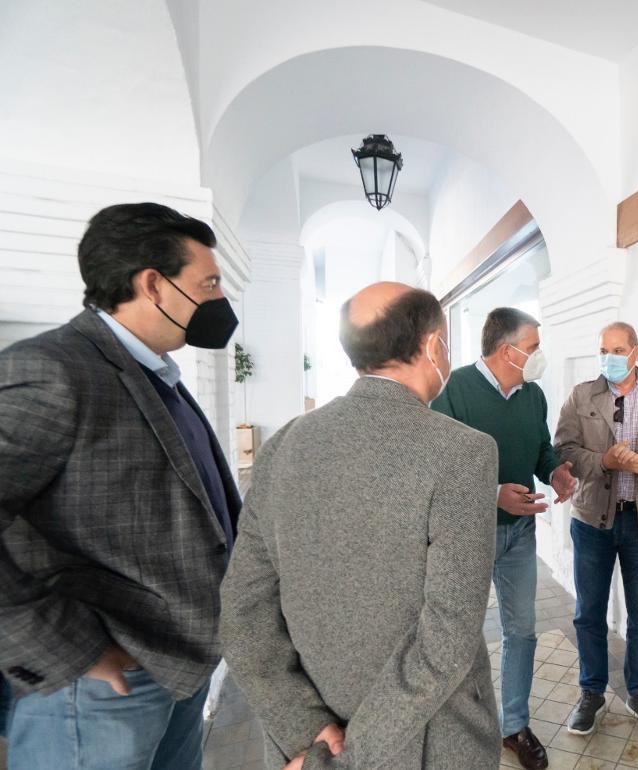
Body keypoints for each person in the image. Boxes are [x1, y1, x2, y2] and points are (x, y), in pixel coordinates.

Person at [0, 202, 242, 769]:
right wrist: (72, 650)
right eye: (207, 283)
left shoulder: (156, 374)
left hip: (179, 667)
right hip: (104, 683)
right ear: (153, 285)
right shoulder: (55, 370)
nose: (218, 298)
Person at [220, 283, 500, 770]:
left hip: (308, 744)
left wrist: (308, 736)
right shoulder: (462, 453)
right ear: (434, 346)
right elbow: (448, 639)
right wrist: (351, 758)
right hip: (427, 739)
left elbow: (243, 614)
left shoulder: (282, 446)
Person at [431, 307, 576, 770]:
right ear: (505, 350)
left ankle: (514, 724)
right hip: (467, 534)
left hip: (520, 533)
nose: (538, 356)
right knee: (461, 637)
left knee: (522, 631)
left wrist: (555, 471)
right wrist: (494, 495)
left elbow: (539, 448)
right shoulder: (453, 391)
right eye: (532, 347)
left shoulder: (533, 395)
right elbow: (437, 469)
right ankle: (461, 726)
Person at [554, 322, 638, 739]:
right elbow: (563, 450)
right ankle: (591, 693)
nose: (608, 358)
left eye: (617, 350)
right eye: (603, 350)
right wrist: (605, 463)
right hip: (593, 520)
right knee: (589, 613)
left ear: (635, 352)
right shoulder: (582, 396)